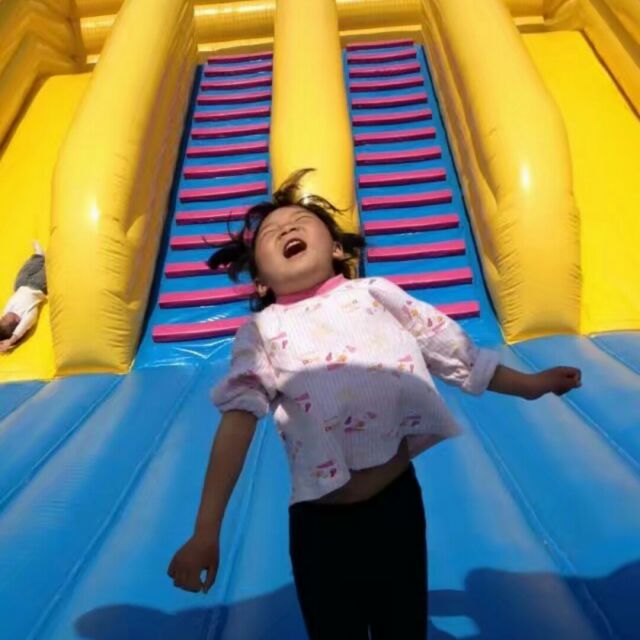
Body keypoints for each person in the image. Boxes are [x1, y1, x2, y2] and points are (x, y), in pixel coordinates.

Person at [167, 169, 582, 639]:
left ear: (337, 250)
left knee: (402, 627)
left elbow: (451, 350)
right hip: (320, 527)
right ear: (260, 282)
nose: (286, 228)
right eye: (270, 232)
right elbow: (237, 421)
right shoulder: (261, 331)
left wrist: (529, 384)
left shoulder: (374, 294)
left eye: (300, 221)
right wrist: (206, 531)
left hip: (396, 505)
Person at [0, 241, 47, 353]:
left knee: (25, 270)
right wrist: (10, 341)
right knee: (45, 272)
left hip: (20, 286)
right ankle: (50, 261)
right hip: (37, 287)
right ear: (17, 320)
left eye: (2, 318)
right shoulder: (28, 314)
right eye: (5, 318)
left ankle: (39, 256)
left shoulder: (6, 315)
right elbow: (22, 328)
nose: (3, 315)